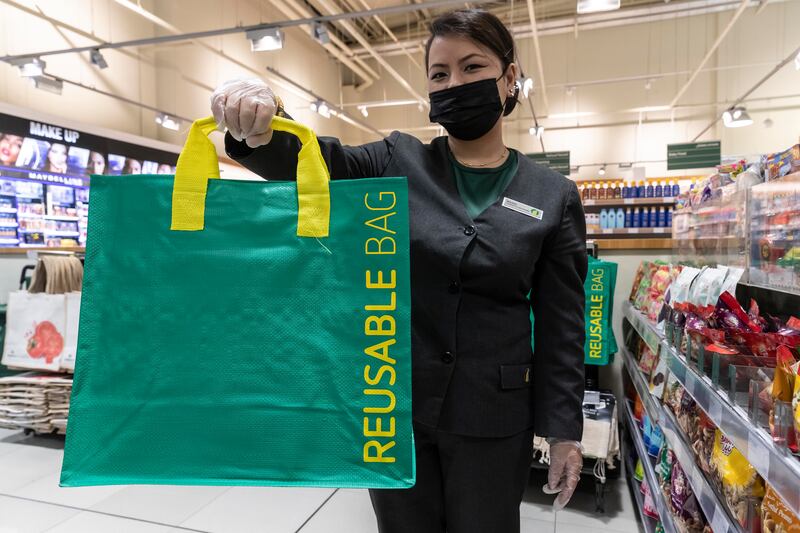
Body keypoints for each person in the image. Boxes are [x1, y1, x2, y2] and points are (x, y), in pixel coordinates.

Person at [211, 9, 586, 533]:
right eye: (439, 74)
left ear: (508, 80)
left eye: (472, 67)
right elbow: (317, 163)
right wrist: (263, 123)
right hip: (394, 408)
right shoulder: (396, 161)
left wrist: (565, 428)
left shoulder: (553, 195)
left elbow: (562, 325)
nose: (454, 83)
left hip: (494, 416)